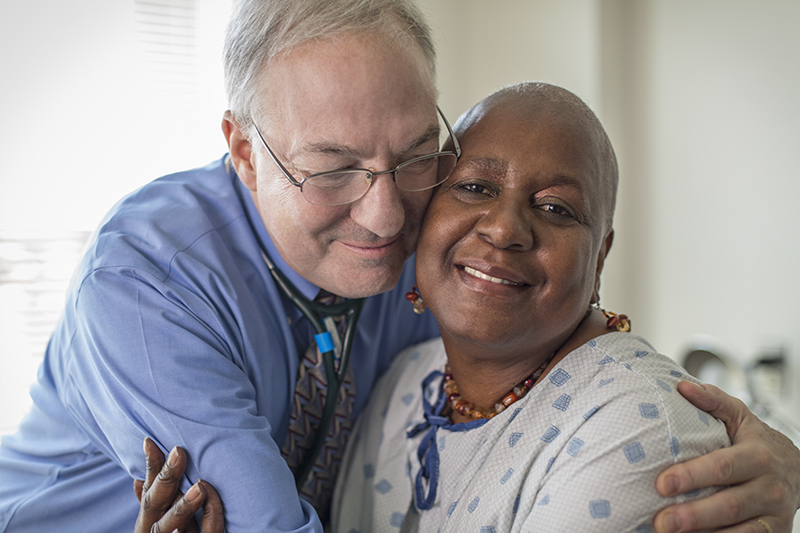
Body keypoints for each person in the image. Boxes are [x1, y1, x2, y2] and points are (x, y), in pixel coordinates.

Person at [0, 0, 797, 532]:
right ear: (245, 150)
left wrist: (757, 462)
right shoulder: (147, 281)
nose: (385, 218)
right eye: (333, 168)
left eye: (417, 155)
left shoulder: (424, 247)